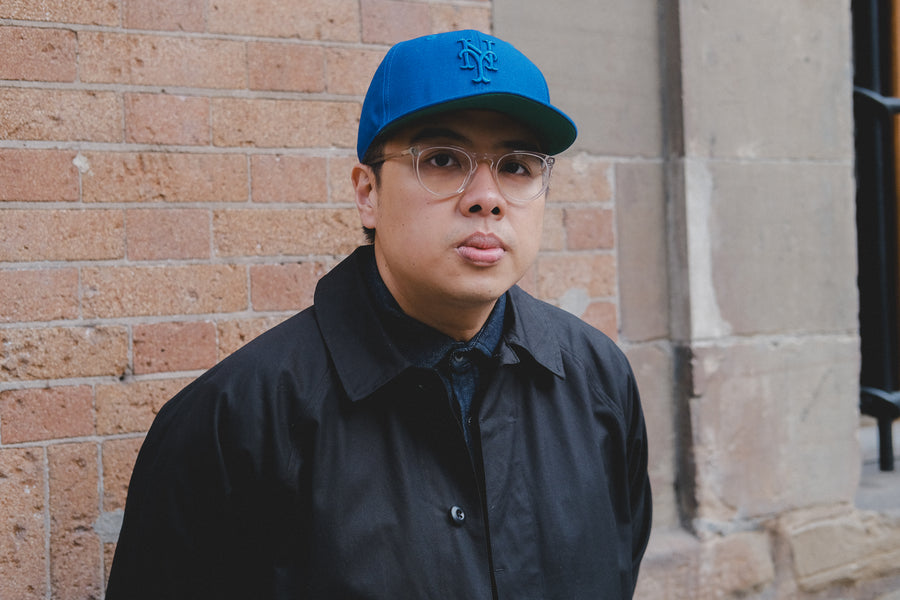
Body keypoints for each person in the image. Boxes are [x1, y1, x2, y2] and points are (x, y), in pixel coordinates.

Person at [106, 29, 652, 599]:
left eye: (517, 166)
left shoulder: (598, 380)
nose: (486, 197)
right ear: (368, 193)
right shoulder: (236, 421)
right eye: (443, 159)